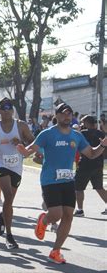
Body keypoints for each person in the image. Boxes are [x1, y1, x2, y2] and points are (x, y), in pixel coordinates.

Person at [18, 103, 107, 264]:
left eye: (69, 114)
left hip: (67, 180)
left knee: (68, 216)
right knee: (56, 214)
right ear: (57, 116)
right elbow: (30, 149)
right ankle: (44, 220)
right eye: (63, 114)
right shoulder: (47, 134)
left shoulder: (77, 136)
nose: (67, 117)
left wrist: (102, 145)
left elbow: (92, 154)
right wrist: (24, 152)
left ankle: (55, 251)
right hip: (50, 180)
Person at [0, 97, 34, 249]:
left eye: (9, 107)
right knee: (8, 196)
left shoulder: (21, 125)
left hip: (17, 166)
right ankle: (9, 236)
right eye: (3, 108)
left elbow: (33, 141)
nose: (6, 110)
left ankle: (3, 218)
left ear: (12, 110)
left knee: (9, 202)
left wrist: (21, 144)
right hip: (1, 165)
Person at [74, 115, 107, 216]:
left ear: (87, 123)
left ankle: (80, 210)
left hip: (84, 164)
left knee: (78, 188)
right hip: (98, 164)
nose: (81, 124)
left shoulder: (82, 134)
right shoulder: (101, 133)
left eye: (83, 123)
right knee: (99, 187)